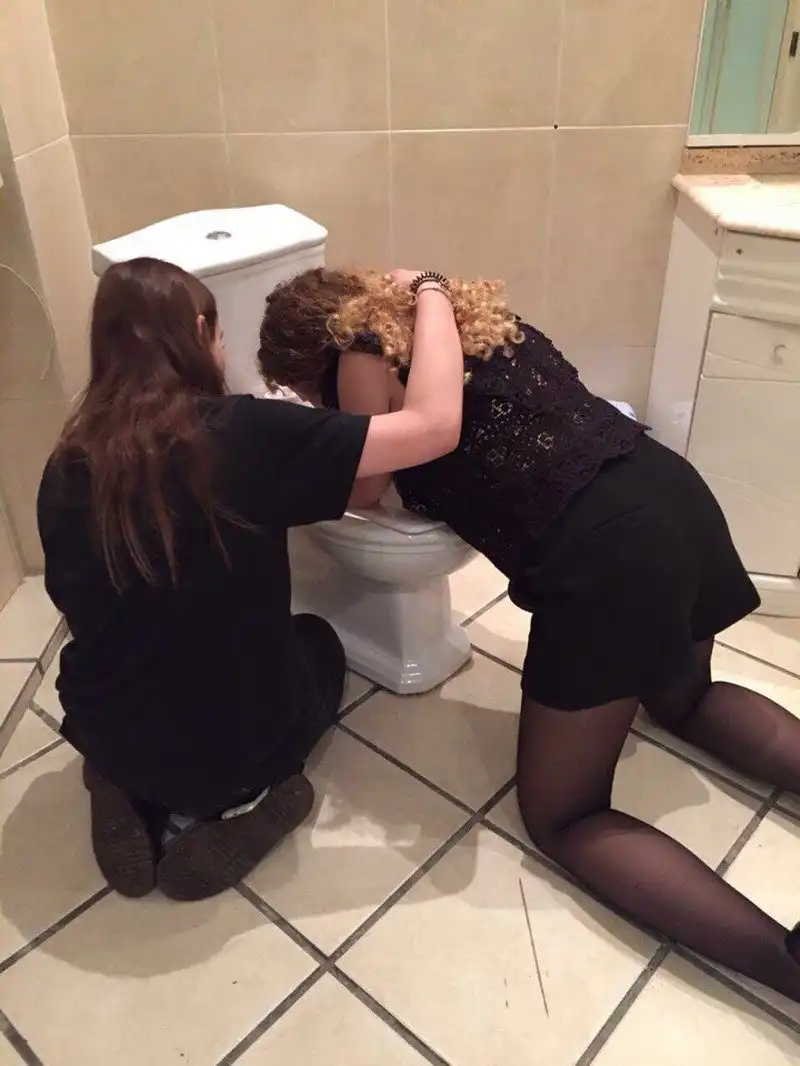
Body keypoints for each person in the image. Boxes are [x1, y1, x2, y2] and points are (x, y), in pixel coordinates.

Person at [258, 266, 800, 1002]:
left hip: (611, 561)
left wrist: (298, 456)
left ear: (307, 360)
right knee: (686, 700)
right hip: (671, 495)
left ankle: (788, 967)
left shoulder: (357, 357)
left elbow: (364, 487)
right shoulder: (455, 321)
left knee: (564, 816)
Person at [37, 258, 464, 902]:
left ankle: (115, 780)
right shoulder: (243, 433)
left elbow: (75, 604)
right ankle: (262, 802)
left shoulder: (66, 461)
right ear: (199, 330)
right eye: (218, 333)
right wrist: (433, 289)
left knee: (140, 667)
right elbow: (432, 428)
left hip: (101, 722)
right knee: (318, 642)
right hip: (231, 753)